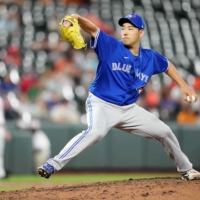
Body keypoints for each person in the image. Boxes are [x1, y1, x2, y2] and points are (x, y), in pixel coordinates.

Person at [38, 13, 200, 180]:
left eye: (131, 28)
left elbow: (167, 66)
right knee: (96, 132)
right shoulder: (111, 46)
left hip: (128, 109)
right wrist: (77, 18)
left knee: (165, 132)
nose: (125, 32)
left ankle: (186, 169)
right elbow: (93, 29)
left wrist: (184, 86)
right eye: (123, 28)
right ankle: (53, 164)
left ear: (141, 33)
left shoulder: (150, 57)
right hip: (101, 103)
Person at [0, 96, 12, 179]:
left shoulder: (1, 99)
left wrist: (6, 131)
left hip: (1, 128)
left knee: (0, 153)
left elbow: (2, 118)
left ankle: (1, 173)